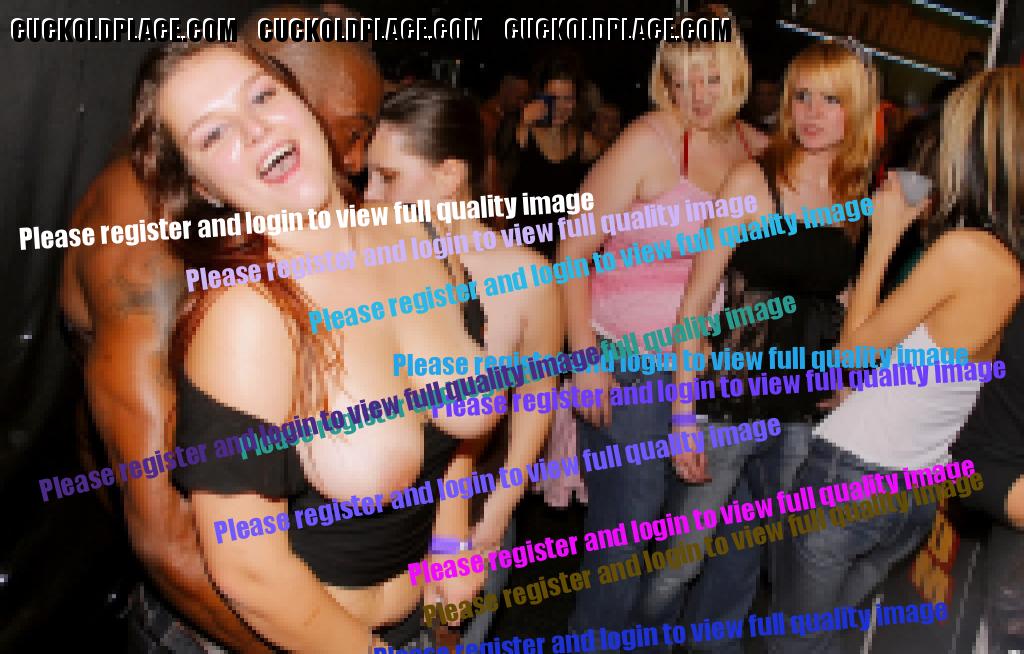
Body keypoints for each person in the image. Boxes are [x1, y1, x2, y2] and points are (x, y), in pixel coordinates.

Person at [128, 40, 503, 651]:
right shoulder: (247, 316)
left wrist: (449, 538)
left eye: (262, 96)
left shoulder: (422, 235)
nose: (255, 130)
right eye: (213, 134)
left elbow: (458, 428)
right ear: (202, 188)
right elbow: (248, 569)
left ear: (303, 104)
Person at [59, 7, 385, 651]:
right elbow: (168, 537)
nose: (356, 160)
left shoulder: (282, 216)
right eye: (354, 132)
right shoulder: (144, 234)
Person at [771, 66, 1024, 654]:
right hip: (913, 493)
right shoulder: (1008, 263)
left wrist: (883, 237)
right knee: (830, 640)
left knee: (796, 645)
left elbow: (849, 358)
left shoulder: (965, 251)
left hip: (850, 477)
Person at [647, 39, 879, 650]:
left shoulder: (856, 196)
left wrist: (846, 382)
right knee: (680, 561)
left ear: (856, 110)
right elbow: (694, 304)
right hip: (732, 398)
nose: (812, 112)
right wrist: (683, 415)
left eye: (831, 99)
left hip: (803, 407)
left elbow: (845, 300)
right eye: (802, 96)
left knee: (763, 558)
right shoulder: (751, 181)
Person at [557, 6, 767, 640]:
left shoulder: (756, 149)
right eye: (680, 79)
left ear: (736, 72)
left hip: (709, 373)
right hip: (629, 364)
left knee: (693, 549)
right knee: (623, 546)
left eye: (709, 78)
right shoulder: (650, 140)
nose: (695, 94)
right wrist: (584, 359)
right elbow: (572, 249)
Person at [363, 83, 563, 642]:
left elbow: (537, 395)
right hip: (376, 509)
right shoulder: (364, 259)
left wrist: (499, 510)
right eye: (368, 176)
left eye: (388, 177)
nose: (369, 196)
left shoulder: (524, 276)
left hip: (473, 505)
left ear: (450, 175)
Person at [499, 54, 601, 259]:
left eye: (568, 99)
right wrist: (523, 122)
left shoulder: (586, 143)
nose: (560, 107)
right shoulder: (522, 131)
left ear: (577, 101)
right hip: (520, 252)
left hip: (564, 254)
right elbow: (500, 179)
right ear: (539, 97)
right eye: (552, 98)